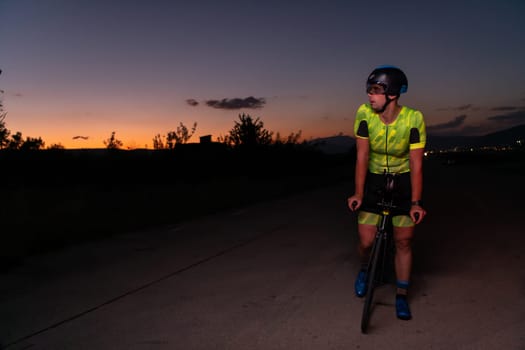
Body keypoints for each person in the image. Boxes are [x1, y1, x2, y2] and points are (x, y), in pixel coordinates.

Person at [347, 65, 427, 320]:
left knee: (403, 241)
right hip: (374, 180)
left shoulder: (414, 118)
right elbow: (362, 155)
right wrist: (358, 193)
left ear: (392, 94)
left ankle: (402, 295)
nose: (370, 96)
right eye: (369, 90)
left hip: (403, 180)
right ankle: (365, 268)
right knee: (366, 242)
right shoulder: (364, 113)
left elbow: (416, 163)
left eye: (376, 90)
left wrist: (415, 202)